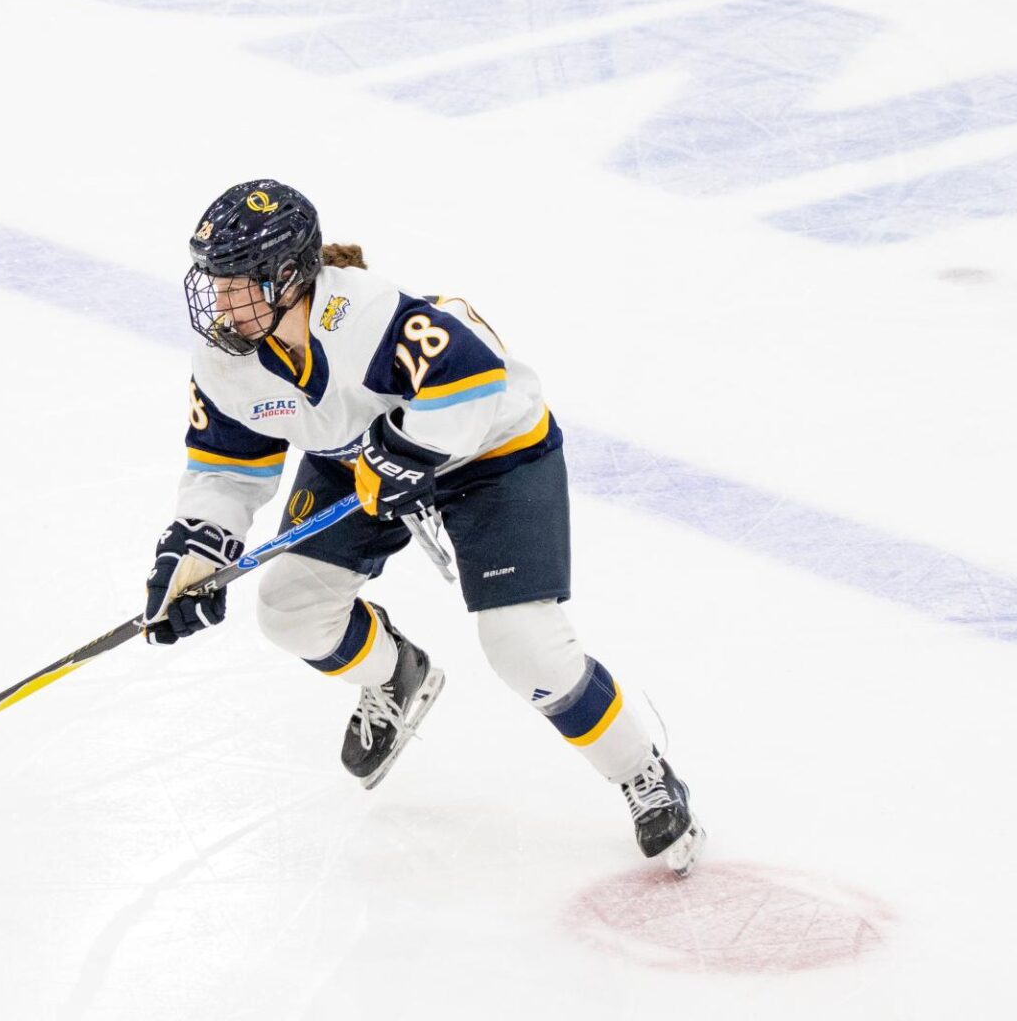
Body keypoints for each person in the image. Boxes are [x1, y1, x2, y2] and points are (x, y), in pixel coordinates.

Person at [140, 179, 705, 875]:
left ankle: (640, 770)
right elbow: (226, 472)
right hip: (360, 460)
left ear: (287, 276)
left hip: (490, 454)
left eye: (236, 284)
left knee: (524, 647)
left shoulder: (364, 313)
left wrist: (409, 451)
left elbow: (474, 373)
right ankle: (397, 675)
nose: (220, 303)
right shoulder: (228, 363)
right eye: (214, 282)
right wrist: (196, 549)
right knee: (291, 612)